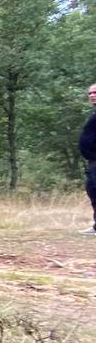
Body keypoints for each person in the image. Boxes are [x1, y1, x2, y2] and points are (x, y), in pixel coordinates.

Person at [81, 84, 96, 235]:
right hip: (92, 161)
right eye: (90, 93)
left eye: (95, 93)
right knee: (93, 190)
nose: (92, 95)